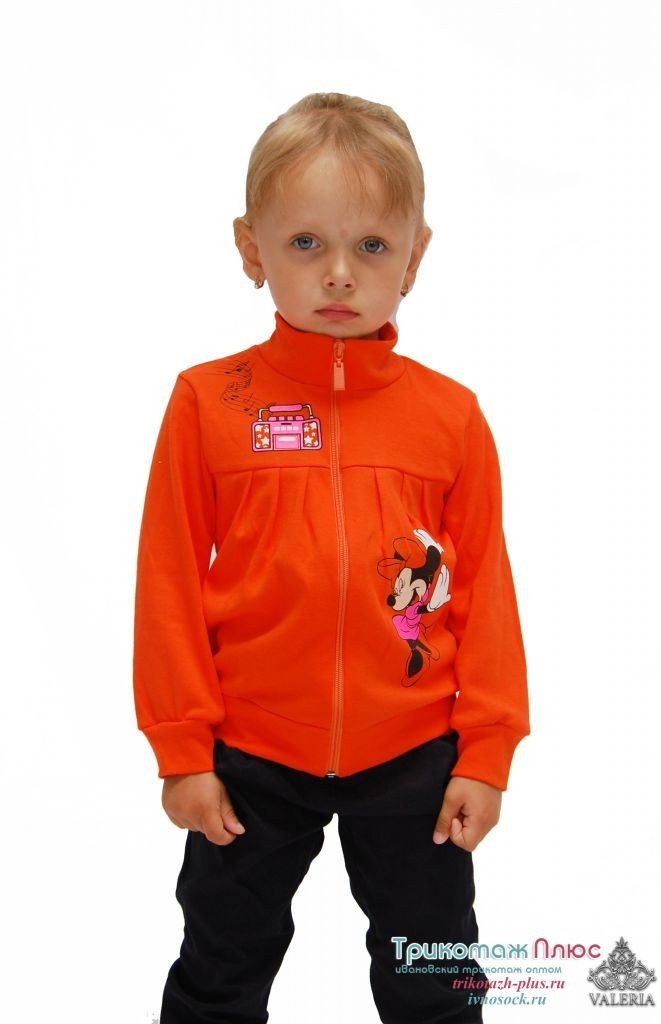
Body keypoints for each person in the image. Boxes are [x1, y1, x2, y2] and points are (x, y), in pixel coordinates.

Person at [133, 91, 530, 1024]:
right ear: (251, 249)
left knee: (434, 974)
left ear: (415, 257)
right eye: (306, 242)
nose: (340, 275)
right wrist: (182, 749)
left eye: (373, 246)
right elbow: (167, 583)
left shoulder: (451, 417)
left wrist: (487, 751)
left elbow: (486, 593)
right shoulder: (209, 403)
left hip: (414, 755)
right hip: (250, 756)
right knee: (220, 965)